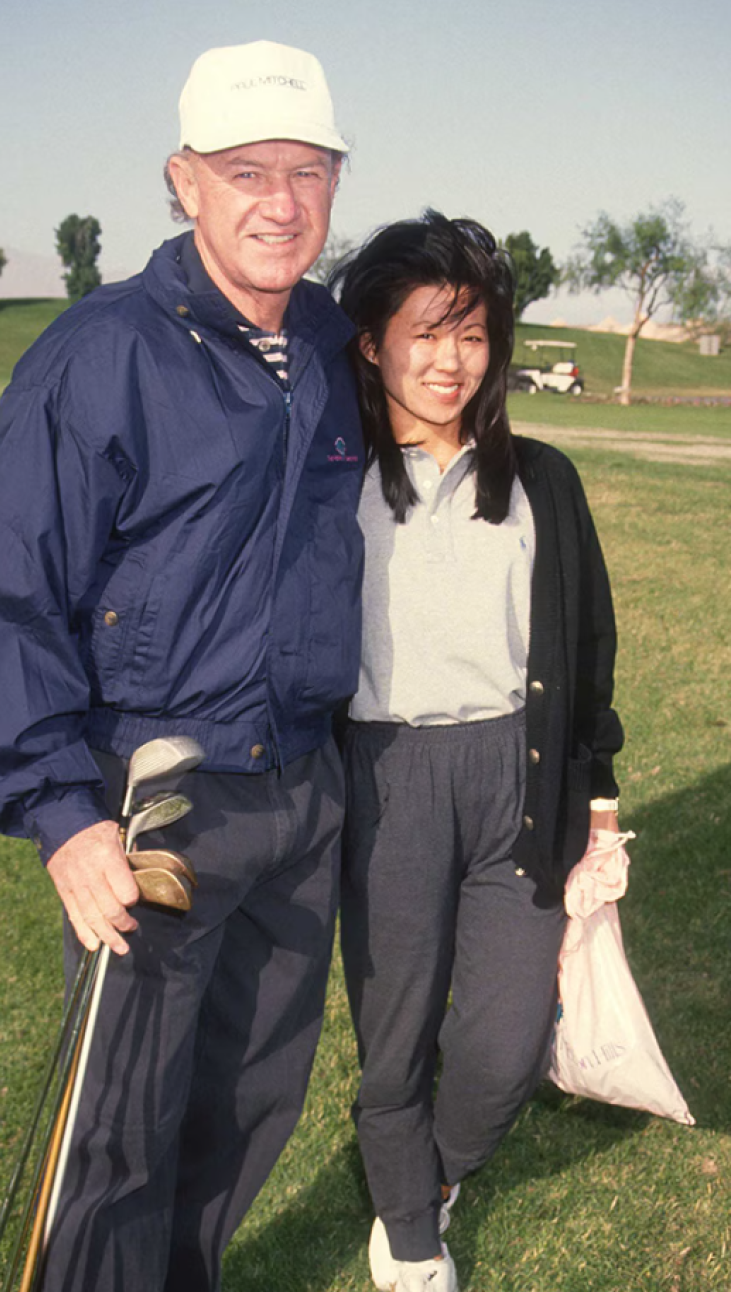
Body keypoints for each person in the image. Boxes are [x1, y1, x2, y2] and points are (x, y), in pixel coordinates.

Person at [0, 40, 364, 1292]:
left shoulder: (335, 350)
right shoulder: (99, 354)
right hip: (158, 806)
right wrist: (62, 813)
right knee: (119, 1132)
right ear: (183, 180)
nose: (279, 201)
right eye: (247, 170)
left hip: (300, 790)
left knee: (245, 1107)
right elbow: (15, 594)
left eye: (308, 171)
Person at [330, 211, 624, 1292]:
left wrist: (595, 795)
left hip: (520, 774)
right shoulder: (332, 478)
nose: (449, 360)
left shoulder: (542, 478)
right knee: (396, 1031)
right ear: (370, 341)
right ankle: (409, 1233)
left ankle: (425, 1173)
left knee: (504, 1041)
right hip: (386, 776)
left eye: (472, 334)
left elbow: (586, 645)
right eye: (424, 332)